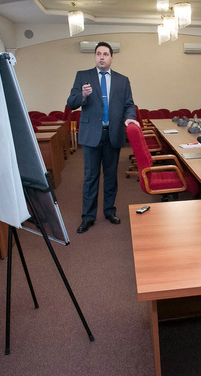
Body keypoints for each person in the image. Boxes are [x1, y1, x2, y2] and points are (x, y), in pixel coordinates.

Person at [67, 41, 138, 234]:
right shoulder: (83, 76)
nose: (101, 57)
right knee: (91, 177)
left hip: (113, 134)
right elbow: (71, 103)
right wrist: (82, 95)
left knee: (111, 176)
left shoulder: (122, 80)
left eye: (105, 54)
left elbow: (129, 105)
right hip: (91, 135)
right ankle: (88, 217)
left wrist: (130, 118)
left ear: (111, 58)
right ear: (95, 56)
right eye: (98, 53)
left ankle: (109, 211)